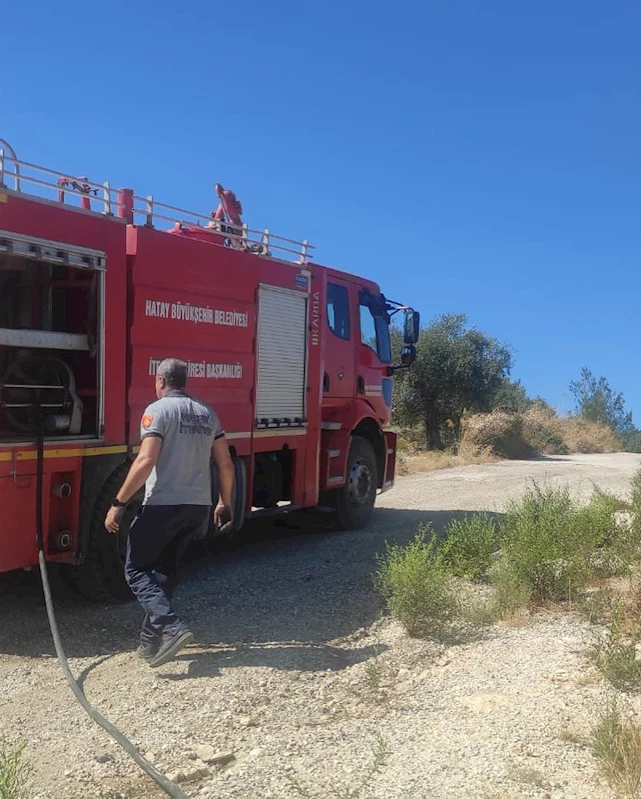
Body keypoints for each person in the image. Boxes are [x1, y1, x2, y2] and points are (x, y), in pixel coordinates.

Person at [104, 357, 235, 668]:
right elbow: (225, 463)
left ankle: (173, 627)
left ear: (160, 381)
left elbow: (146, 460)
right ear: (184, 381)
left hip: (164, 504)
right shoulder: (207, 414)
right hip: (197, 507)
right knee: (165, 571)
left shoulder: (157, 410)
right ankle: (150, 641)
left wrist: (118, 503)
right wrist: (223, 502)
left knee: (135, 569)